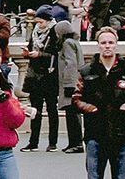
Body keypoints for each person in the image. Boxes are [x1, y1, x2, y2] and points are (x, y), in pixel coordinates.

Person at [73, 26, 125, 178]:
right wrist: (90, 108)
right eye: (103, 43)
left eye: (110, 42)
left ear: (116, 44)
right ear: (98, 44)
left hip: (122, 133)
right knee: (94, 175)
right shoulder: (87, 71)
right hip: (95, 134)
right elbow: (76, 99)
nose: (107, 46)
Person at [20, 7, 61, 152]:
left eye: (41, 21)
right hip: (35, 75)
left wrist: (40, 55)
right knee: (35, 110)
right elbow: (32, 46)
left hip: (49, 76)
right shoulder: (35, 31)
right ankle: (33, 141)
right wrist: (28, 53)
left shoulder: (55, 31)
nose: (39, 24)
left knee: (51, 109)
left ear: (48, 20)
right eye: (37, 21)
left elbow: (56, 54)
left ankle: (52, 142)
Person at [53, 19, 85, 154]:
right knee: (72, 114)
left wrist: (69, 85)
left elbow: (70, 64)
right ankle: (73, 142)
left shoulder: (67, 44)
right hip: (74, 82)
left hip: (70, 83)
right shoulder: (73, 42)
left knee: (72, 114)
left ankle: (76, 143)